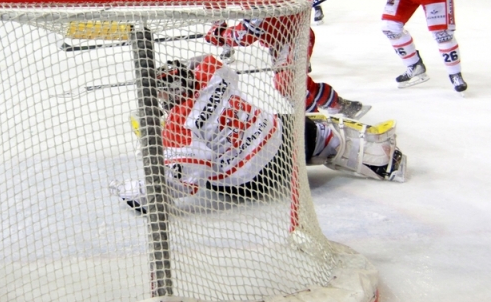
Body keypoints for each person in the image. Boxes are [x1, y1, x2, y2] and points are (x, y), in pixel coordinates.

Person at [110, 55, 406, 212]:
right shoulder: (213, 73)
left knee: (200, 157)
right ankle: (378, 160)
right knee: (313, 125)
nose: (161, 100)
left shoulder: (177, 126)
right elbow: (204, 59)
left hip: (247, 183)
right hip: (282, 144)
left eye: (162, 95)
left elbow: (185, 184)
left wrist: (139, 192)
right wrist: (184, 69)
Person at [213, 0, 369, 118]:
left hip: (294, 38)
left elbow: (247, 36)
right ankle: (339, 105)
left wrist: (222, 36)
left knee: (285, 82)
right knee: (300, 82)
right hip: (284, 38)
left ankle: (316, 125)